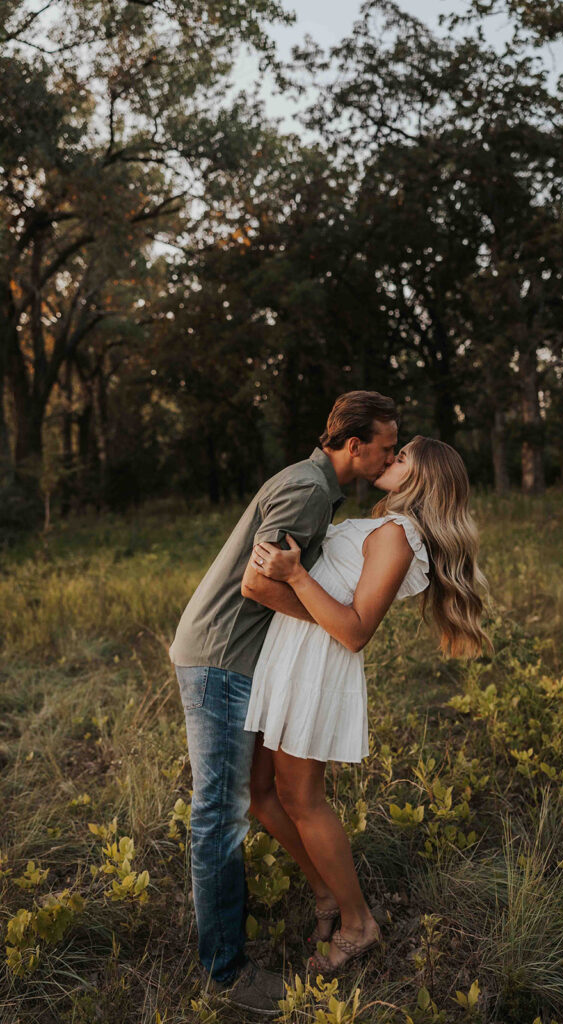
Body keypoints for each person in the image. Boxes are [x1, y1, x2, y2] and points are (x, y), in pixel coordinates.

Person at [169, 391, 398, 1015]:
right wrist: (335, 625)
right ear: (354, 444)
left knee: (244, 799)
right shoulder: (305, 491)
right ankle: (226, 974)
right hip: (222, 658)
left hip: (236, 659)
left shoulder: (317, 489)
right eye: (386, 444)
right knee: (218, 814)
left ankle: (325, 900)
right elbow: (256, 582)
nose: (391, 454)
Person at [244, 435, 489, 976]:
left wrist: (294, 574)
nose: (390, 457)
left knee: (301, 798)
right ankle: (325, 893)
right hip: (291, 650)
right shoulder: (384, 526)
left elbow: (355, 631)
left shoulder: (401, 536)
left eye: (402, 457)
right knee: (260, 792)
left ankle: (358, 923)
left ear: (421, 478)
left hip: (318, 662)